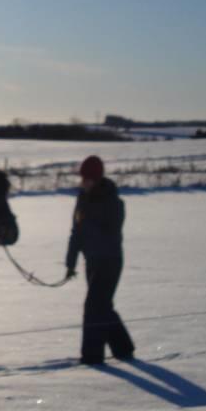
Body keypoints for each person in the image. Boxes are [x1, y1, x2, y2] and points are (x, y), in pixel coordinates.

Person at [65, 155, 134, 365]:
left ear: (96, 179)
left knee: (94, 306)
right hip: (92, 261)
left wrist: (88, 225)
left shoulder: (112, 201)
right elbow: (76, 232)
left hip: (110, 260)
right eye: (83, 178)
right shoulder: (82, 199)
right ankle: (123, 348)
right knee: (102, 305)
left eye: (87, 179)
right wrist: (70, 263)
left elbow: (110, 231)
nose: (83, 182)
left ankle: (92, 356)